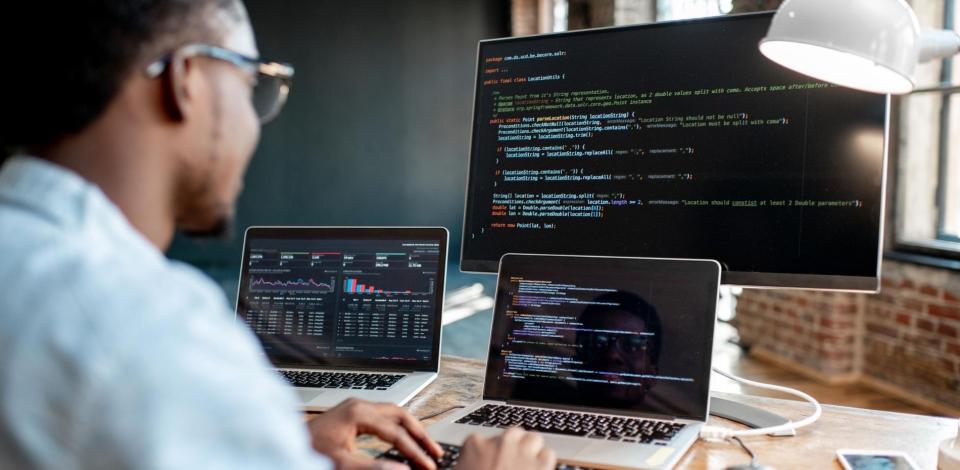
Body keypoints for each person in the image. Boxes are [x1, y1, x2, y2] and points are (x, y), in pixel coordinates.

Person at [0, 1, 556, 469]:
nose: (254, 123)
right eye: (253, 85)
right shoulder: (153, 326)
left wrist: (290, 450)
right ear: (185, 80)